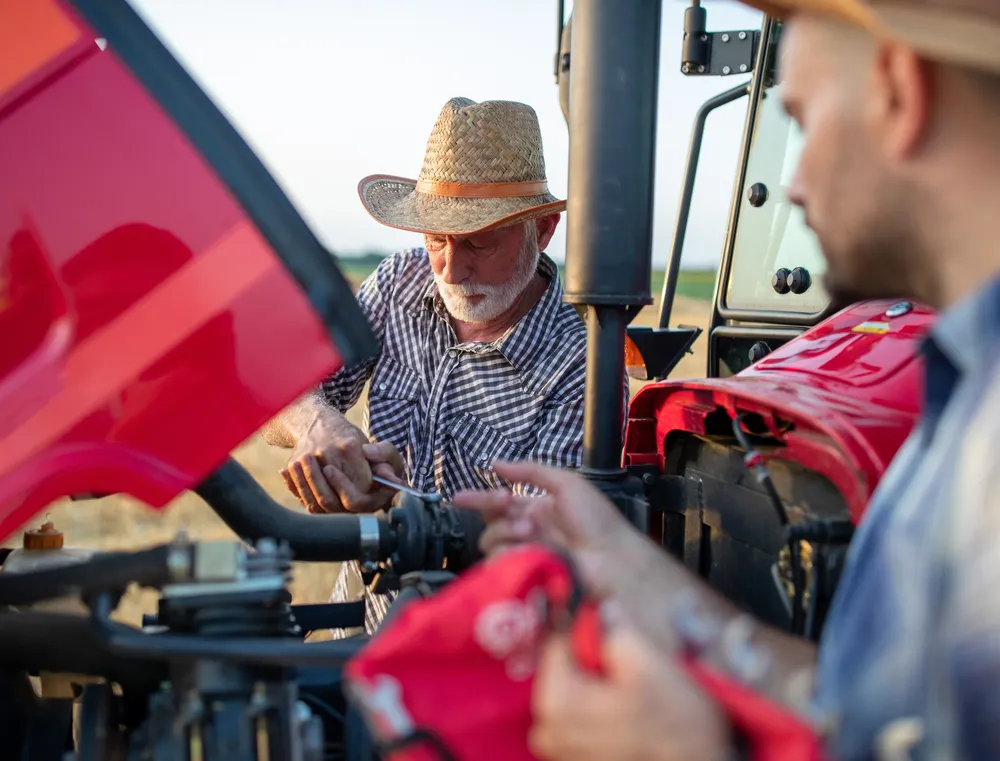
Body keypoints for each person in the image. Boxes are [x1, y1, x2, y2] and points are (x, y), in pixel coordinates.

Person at [457, 1, 1000, 759]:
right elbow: (873, 709)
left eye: (803, 124)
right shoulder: (967, 395)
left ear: (899, 93)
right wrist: (646, 573)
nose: (797, 184)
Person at [262, 97, 627, 635]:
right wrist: (319, 425)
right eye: (437, 240)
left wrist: (404, 507)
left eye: (480, 242)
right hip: (363, 629)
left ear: (543, 230)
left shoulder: (581, 364)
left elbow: (539, 549)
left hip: (479, 653)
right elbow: (280, 401)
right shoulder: (397, 284)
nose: (452, 269)